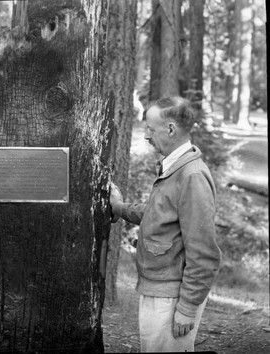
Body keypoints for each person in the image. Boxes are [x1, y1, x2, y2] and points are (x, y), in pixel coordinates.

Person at [109, 96, 221, 352]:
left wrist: (188, 307)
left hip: (172, 296)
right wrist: (119, 208)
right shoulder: (174, 168)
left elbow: (204, 253)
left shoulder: (191, 176)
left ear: (170, 129)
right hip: (160, 289)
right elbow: (158, 215)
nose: (146, 136)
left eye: (150, 128)